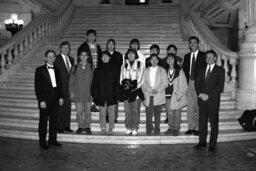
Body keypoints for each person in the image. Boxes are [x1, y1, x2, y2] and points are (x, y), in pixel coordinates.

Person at [194, 50, 225, 152]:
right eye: (207, 57)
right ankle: (202, 142)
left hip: (213, 101)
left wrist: (208, 95)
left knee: (213, 123)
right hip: (202, 100)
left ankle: (212, 144)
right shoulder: (201, 69)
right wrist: (200, 94)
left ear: (215, 58)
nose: (209, 58)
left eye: (211, 57)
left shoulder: (220, 70)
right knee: (202, 122)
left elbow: (220, 86)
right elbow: (196, 83)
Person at [35, 50, 63, 150]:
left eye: (53, 57)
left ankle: (52, 140)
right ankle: (42, 142)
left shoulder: (57, 69)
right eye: (49, 57)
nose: (51, 58)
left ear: (55, 58)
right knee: (43, 122)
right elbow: (37, 86)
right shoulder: (39, 70)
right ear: (45, 58)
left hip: (55, 99)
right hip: (45, 100)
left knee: (54, 121)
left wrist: (61, 97)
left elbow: (60, 85)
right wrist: (41, 100)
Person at [182, 36, 206, 136]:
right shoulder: (186, 56)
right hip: (189, 83)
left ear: (198, 44)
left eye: (194, 43)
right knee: (190, 106)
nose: (192, 44)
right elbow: (184, 70)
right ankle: (191, 127)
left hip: (199, 84)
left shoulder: (204, 55)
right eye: (191, 43)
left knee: (199, 106)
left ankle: (198, 128)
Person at [91, 52, 120, 135]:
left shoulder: (114, 69)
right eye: (103, 56)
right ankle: (103, 127)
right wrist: (95, 95)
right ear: (101, 58)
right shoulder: (97, 70)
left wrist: (117, 94)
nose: (105, 58)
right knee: (102, 112)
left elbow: (117, 83)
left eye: (107, 56)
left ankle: (111, 127)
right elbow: (94, 83)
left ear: (110, 58)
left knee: (111, 112)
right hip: (101, 95)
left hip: (112, 94)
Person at [120, 48, 144, 135]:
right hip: (126, 92)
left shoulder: (140, 65)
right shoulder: (124, 66)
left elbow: (141, 79)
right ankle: (128, 126)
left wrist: (133, 88)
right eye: (129, 54)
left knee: (135, 110)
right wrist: (126, 88)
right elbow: (121, 79)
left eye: (132, 54)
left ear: (135, 55)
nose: (130, 55)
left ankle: (135, 127)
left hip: (136, 92)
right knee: (127, 111)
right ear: (127, 55)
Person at [77, 29, 102, 112]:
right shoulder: (83, 47)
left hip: (96, 70)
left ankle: (93, 103)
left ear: (95, 37)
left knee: (95, 87)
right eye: (89, 35)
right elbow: (79, 59)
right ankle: (89, 104)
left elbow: (101, 59)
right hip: (87, 69)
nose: (91, 37)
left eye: (93, 36)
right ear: (87, 37)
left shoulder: (98, 46)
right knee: (88, 86)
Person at [142, 54, 168, 135]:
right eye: (152, 59)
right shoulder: (146, 70)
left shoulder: (162, 70)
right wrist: (150, 90)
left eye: (155, 59)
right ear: (150, 60)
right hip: (148, 95)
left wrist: (157, 90)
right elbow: (143, 83)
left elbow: (165, 83)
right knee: (149, 114)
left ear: (158, 60)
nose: (154, 61)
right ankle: (149, 129)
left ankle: (157, 129)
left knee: (157, 114)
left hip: (158, 94)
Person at [69, 51, 93, 135]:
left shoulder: (91, 67)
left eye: (85, 55)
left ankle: (87, 127)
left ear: (88, 57)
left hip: (88, 94)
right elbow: (71, 81)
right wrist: (72, 92)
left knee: (88, 112)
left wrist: (93, 94)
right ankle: (80, 126)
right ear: (79, 57)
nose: (83, 57)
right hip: (78, 94)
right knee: (79, 112)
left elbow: (94, 82)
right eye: (82, 55)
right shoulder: (75, 67)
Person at [164, 53, 188, 136]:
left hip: (176, 95)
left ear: (175, 60)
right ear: (166, 61)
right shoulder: (164, 70)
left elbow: (184, 84)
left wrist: (179, 95)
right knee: (169, 113)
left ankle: (176, 129)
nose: (170, 60)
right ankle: (171, 128)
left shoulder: (179, 70)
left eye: (172, 59)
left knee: (177, 113)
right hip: (167, 95)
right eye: (168, 59)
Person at [54, 41, 74, 133]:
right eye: (64, 48)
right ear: (60, 49)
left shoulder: (72, 59)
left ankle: (66, 126)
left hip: (69, 89)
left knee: (67, 108)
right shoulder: (56, 59)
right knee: (59, 109)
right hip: (60, 88)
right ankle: (59, 127)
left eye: (68, 48)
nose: (66, 49)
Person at [105, 39, 123, 123]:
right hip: (105, 80)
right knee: (106, 98)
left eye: (112, 44)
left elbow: (120, 67)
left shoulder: (118, 55)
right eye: (109, 44)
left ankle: (114, 116)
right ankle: (106, 115)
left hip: (116, 79)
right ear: (107, 45)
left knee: (115, 98)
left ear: (114, 46)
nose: (111, 45)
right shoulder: (103, 54)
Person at [163, 44, 182, 123]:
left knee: (177, 106)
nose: (171, 51)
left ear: (176, 51)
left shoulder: (180, 60)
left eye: (173, 50)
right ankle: (168, 117)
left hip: (176, 88)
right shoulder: (164, 60)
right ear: (167, 51)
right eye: (170, 50)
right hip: (167, 87)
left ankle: (177, 120)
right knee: (168, 105)